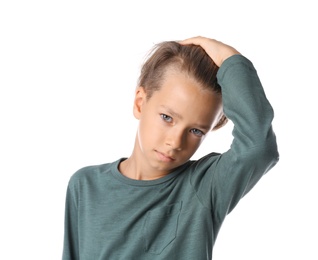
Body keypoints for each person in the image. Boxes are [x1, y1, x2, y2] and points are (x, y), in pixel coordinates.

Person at [62, 36, 279, 259]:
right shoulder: (85, 186)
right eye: (167, 117)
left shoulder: (204, 187)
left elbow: (259, 146)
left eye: (196, 131)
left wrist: (229, 58)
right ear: (140, 103)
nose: (175, 143)